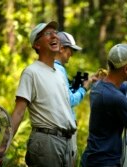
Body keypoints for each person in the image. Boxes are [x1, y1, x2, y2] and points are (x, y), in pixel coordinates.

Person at [11, 21, 76, 167]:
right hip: (46, 142)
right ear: (37, 45)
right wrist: (3, 145)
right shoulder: (31, 72)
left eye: (55, 33)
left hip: (66, 141)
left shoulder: (59, 73)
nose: (54, 36)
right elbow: (19, 112)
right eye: (48, 33)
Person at [54, 31, 95, 164]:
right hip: (62, 133)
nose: (71, 54)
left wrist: (78, 85)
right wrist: (84, 88)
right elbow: (70, 100)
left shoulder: (52, 68)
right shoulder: (58, 70)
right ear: (61, 48)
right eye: (70, 50)